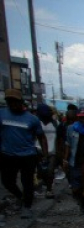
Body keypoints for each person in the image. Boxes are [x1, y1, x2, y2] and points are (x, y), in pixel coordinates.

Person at [0, 89, 48, 218]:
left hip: (27, 155)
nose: (12, 104)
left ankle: (27, 206)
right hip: (7, 154)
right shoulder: (2, 114)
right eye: (10, 101)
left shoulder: (32, 119)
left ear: (21, 102)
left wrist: (44, 154)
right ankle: (20, 196)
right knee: (7, 181)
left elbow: (41, 137)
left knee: (27, 182)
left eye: (15, 101)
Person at [36, 104, 58, 199]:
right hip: (38, 151)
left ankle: (49, 189)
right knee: (40, 172)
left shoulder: (55, 123)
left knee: (50, 171)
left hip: (51, 152)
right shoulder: (37, 123)